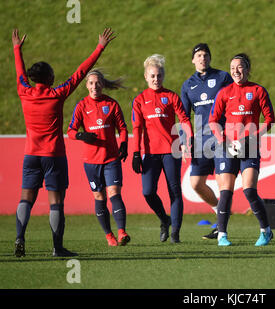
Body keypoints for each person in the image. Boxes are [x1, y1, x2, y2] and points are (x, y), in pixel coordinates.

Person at [12, 28, 116, 257]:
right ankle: (57, 248)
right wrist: (99, 47)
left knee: (25, 198)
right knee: (56, 203)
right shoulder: (56, 94)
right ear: (49, 79)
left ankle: (20, 237)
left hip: (31, 155)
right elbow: (81, 72)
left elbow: (20, 71)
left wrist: (17, 48)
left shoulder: (24, 91)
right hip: (53, 156)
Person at [209, 53, 275, 246]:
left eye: (239, 67)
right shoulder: (224, 92)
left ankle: (266, 231)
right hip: (228, 147)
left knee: (249, 190)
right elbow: (213, 120)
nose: (236, 71)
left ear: (247, 69)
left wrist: (251, 138)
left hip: (250, 147)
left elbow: (269, 119)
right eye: (232, 68)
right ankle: (222, 235)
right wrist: (223, 140)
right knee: (226, 192)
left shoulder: (258, 90)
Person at [131, 54, 193, 243]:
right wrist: (135, 152)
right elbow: (137, 128)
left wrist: (187, 141)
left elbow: (184, 120)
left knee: (174, 192)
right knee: (148, 192)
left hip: (171, 151)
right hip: (150, 154)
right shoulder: (139, 100)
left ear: (163, 76)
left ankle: (175, 233)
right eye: (152, 76)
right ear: (146, 77)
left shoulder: (171, 96)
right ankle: (164, 219)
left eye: (159, 76)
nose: (156, 79)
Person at [67, 69, 130, 247]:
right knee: (99, 196)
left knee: (114, 193)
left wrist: (124, 144)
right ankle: (109, 236)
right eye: (91, 83)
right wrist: (81, 136)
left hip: (111, 159)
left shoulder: (112, 104)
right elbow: (71, 131)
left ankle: (122, 231)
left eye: (98, 83)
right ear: (87, 85)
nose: (95, 86)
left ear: (103, 85)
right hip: (91, 161)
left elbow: (123, 128)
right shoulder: (81, 106)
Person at [180, 43, 233, 240]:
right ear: (193, 60)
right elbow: (184, 116)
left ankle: (222, 230)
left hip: (222, 137)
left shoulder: (222, 77)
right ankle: (220, 212)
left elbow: (233, 101)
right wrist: (185, 141)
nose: (203, 58)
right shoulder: (187, 85)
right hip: (201, 140)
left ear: (210, 58)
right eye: (199, 55)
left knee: (222, 182)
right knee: (195, 183)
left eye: (206, 55)